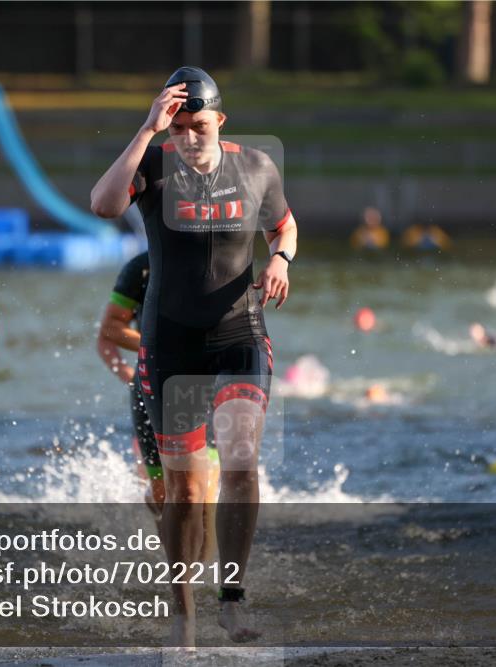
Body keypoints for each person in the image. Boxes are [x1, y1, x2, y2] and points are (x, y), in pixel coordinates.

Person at [91, 66, 298, 646]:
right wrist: (145, 131)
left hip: (239, 335)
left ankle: (230, 599)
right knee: (183, 491)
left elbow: (286, 226)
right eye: (177, 127)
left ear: (221, 122)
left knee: (239, 464)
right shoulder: (152, 166)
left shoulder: (256, 167)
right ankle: (182, 615)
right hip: (171, 342)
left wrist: (281, 259)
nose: (188, 138)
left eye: (198, 126)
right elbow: (104, 205)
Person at [96, 251, 219, 559]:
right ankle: (175, 577)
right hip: (151, 387)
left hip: (204, 386)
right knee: (166, 496)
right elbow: (109, 331)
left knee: (204, 497)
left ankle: (210, 583)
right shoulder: (140, 268)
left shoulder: (218, 260)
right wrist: (133, 366)